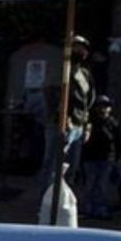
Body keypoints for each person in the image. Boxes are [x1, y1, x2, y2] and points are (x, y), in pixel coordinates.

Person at [39, 35, 96, 197]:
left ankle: (64, 198)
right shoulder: (61, 69)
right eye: (77, 47)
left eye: (83, 48)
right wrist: (61, 116)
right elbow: (51, 93)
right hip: (62, 122)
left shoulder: (84, 73)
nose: (82, 51)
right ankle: (47, 200)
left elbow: (87, 101)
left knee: (72, 166)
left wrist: (87, 124)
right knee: (53, 164)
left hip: (79, 125)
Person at [81, 95, 121, 219]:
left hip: (106, 158)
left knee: (103, 185)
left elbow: (118, 141)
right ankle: (89, 207)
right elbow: (84, 141)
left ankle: (100, 208)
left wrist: (117, 157)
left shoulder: (113, 123)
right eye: (101, 106)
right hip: (91, 158)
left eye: (106, 106)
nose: (104, 109)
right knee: (90, 184)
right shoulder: (91, 122)